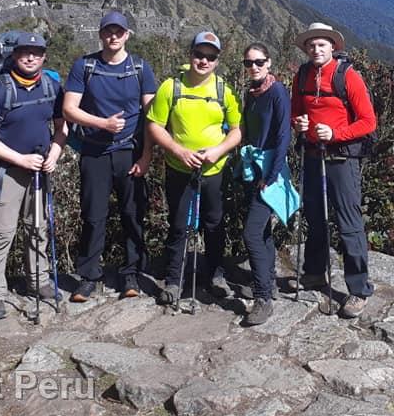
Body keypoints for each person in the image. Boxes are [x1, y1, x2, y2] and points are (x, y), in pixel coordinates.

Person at [63, 11, 157, 301]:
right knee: (93, 215)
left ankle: (131, 273)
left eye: (119, 32)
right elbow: (69, 109)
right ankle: (89, 275)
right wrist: (102, 123)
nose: (113, 37)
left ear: (127, 35)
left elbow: (152, 117)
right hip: (95, 151)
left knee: (133, 213)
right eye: (108, 31)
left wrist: (146, 157)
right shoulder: (85, 66)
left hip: (129, 150)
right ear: (101, 34)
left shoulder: (140, 68)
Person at [146, 30, 242, 305]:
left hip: (214, 170)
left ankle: (215, 274)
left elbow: (236, 130)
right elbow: (154, 125)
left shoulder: (224, 91)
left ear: (217, 61)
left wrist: (218, 151)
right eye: (199, 54)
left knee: (214, 224)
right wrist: (179, 151)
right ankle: (174, 280)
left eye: (210, 57)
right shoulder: (171, 87)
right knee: (178, 225)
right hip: (179, 168)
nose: (204, 61)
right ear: (190, 55)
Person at [0, 33, 67, 320]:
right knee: (0, 233)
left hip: (40, 169)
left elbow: (62, 127)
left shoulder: (52, 87)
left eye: (36, 53)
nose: (30, 57)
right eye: (24, 52)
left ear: (44, 57)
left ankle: (39, 280)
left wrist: (55, 153)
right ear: (14, 55)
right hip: (9, 171)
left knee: (38, 227)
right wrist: (20, 159)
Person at [291, 22, 377, 318]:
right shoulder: (302, 75)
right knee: (315, 217)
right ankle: (315, 273)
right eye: (311, 45)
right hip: (312, 155)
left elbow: (368, 122)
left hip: (341, 159)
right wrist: (299, 123)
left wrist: (336, 134)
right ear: (306, 48)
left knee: (348, 222)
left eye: (322, 45)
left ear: (333, 47)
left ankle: (359, 289)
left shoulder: (347, 76)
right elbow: (295, 112)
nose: (316, 49)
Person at [239, 42, 291, 326]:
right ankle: (268, 283)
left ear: (269, 63)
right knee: (262, 231)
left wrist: (270, 177)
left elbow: (283, 135)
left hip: (269, 172)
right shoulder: (251, 93)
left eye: (259, 62)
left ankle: (262, 298)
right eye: (249, 63)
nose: (254, 67)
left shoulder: (277, 92)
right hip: (254, 168)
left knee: (251, 233)